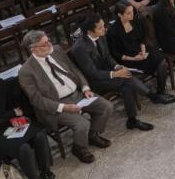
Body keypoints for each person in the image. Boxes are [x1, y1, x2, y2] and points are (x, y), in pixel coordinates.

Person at [18, 31, 113, 164]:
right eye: (45, 43)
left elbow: (74, 69)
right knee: (82, 123)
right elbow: (36, 99)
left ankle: (92, 135)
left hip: (78, 94)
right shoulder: (26, 71)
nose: (49, 44)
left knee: (106, 106)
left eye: (48, 40)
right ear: (34, 49)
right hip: (56, 105)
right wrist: (63, 107)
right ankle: (79, 148)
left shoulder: (56, 50)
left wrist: (85, 87)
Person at [70, 14, 161, 132]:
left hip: (107, 73)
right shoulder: (80, 48)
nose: (105, 29)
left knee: (126, 84)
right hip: (94, 82)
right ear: (90, 31)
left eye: (104, 26)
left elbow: (107, 57)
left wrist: (117, 66)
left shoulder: (101, 36)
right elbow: (92, 73)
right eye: (101, 28)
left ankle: (132, 120)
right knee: (126, 78)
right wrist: (115, 74)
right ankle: (152, 96)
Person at [107, 2, 175, 103]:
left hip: (140, 52)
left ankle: (161, 92)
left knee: (161, 59)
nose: (132, 14)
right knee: (156, 60)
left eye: (132, 12)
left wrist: (143, 51)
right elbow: (115, 54)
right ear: (120, 15)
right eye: (128, 13)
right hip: (128, 59)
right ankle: (157, 96)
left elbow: (142, 39)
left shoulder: (135, 21)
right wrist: (133, 58)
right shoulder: (112, 31)